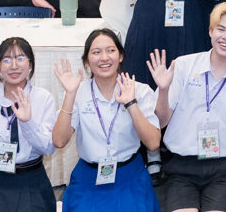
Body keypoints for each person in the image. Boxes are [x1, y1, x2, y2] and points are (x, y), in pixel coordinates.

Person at [147, 3, 226, 212]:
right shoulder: (183, 66)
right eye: (221, 29)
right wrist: (163, 90)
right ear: (210, 31)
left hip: (224, 169)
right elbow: (161, 122)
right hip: (181, 167)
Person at [51, 28, 160, 211]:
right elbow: (59, 141)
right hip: (89, 178)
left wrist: (131, 104)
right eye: (96, 52)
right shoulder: (78, 92)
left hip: (129, 176)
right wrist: (69, 94)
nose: (104, 58)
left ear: (121, 56)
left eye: (110, 50)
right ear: (86, 61)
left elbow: (153, 143)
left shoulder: (139, 90)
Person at [0, 38, 58, 212]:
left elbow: (48, 148)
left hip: (31, 178)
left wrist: (28, 122)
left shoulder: (43, 98)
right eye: (7, 59)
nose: (14, 66)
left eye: (20, 58)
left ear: (30, 64)